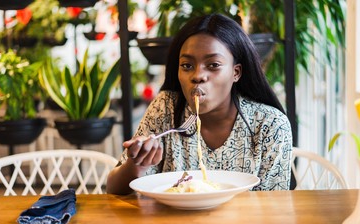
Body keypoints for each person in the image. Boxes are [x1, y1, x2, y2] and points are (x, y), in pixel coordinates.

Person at [107, 13, 292, 195]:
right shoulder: (166, 108)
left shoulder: (271, 125)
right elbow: (113, 189)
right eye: (187, 66)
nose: (197, 76)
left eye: (213, 65)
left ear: (236, 72)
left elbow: (274, 206)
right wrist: (137, 164)